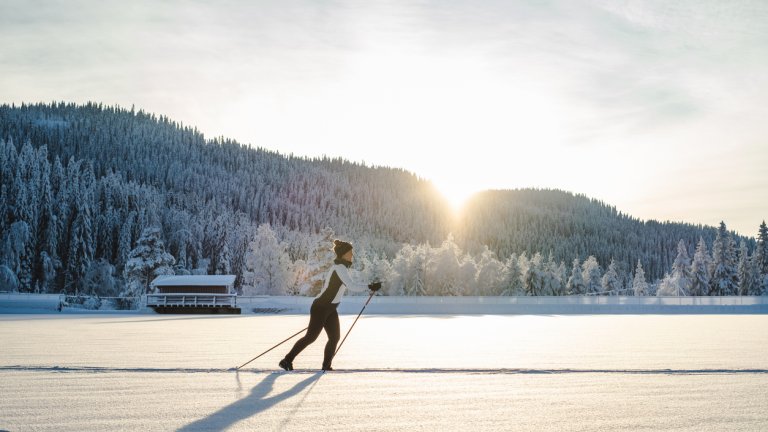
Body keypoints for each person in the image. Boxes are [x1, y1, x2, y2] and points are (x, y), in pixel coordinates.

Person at [280, 240, 382, 371]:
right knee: (311, 337)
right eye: (350, 252)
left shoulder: (342, 268)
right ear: (343, 254)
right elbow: (352, 286)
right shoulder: (339, 268)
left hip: (330, 308)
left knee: (334, 338)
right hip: (321, 307)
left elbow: (350, 285)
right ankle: (286, 360)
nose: (352, 255)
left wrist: (370, 287)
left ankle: (326, 366)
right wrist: (370, 286)